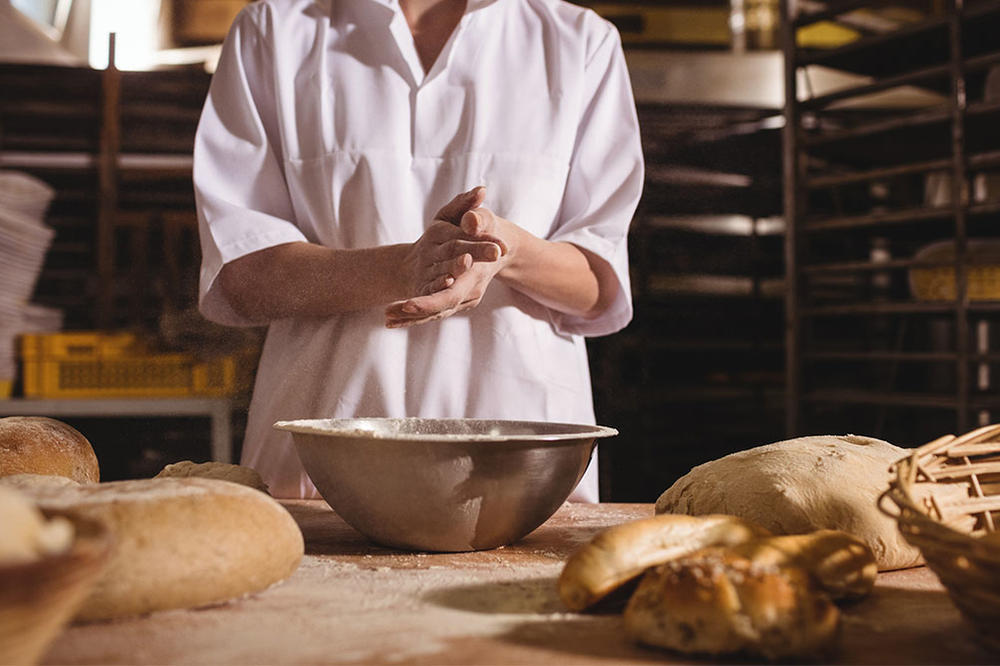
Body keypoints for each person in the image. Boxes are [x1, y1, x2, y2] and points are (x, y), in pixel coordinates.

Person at [193, 0, 644, 501]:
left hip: (524, 460)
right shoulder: (275, 30)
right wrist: (404, 267)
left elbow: (597, 287)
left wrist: (506, 251)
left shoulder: (578, 39)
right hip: (323, 452)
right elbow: (242, 277)